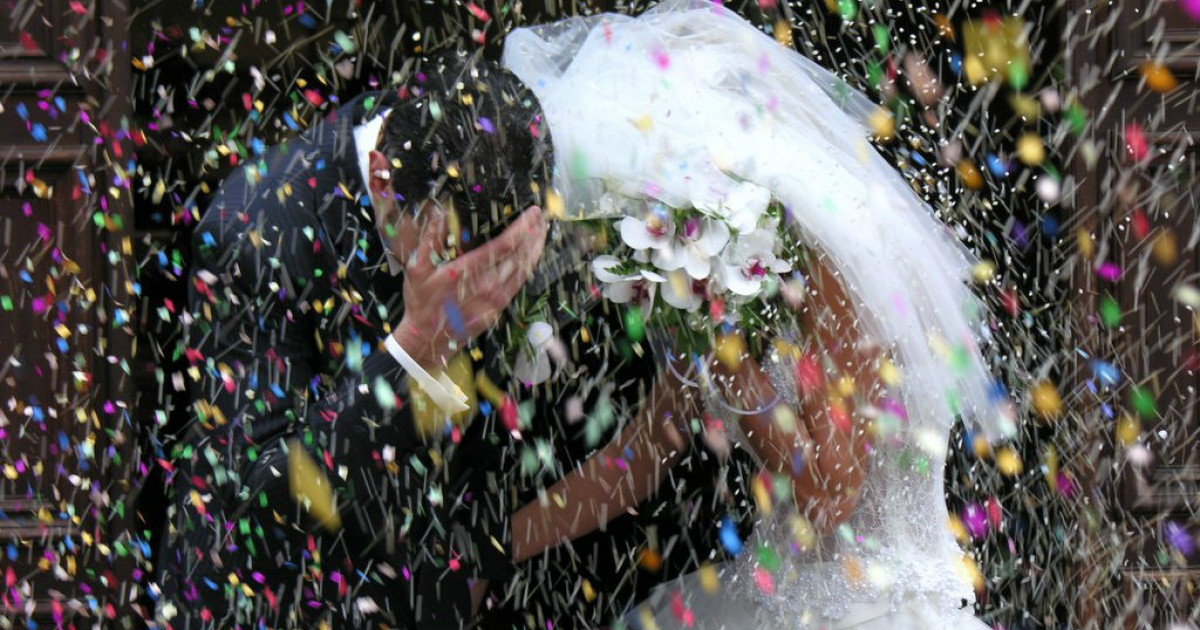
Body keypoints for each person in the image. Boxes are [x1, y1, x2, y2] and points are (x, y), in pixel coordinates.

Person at [496, 1, 1015, 628]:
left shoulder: (828, 262)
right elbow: (642, 455)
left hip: (870, 607)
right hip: (785, 587)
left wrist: (726, 352)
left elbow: (830, 493)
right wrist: (494, 553)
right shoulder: (710, 274)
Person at [153, 51, 552, 629]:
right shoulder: (253, 228)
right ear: (385, 185)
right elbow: (249, 516)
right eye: (451, 264)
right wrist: (411, 354)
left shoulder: (502, 173)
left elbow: (486, 449)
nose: (477, 295)